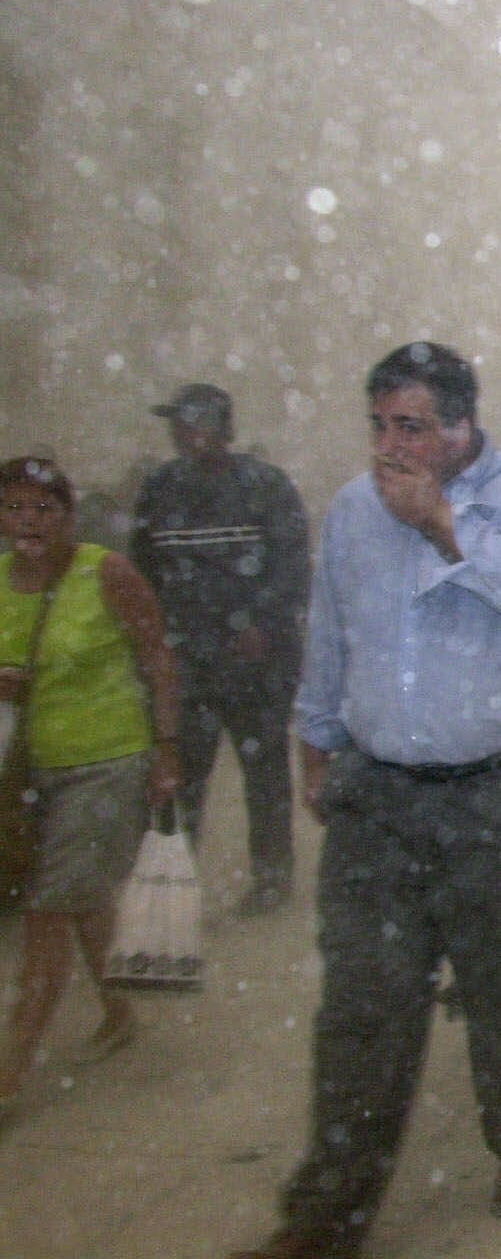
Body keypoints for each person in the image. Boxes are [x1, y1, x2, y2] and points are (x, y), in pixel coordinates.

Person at [232, 343, 501, 1258]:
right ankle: (326, 1217)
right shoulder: (352, 511)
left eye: (413, 427)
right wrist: (315, 744)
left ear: (463, 428)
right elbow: (332, 634)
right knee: (363, 1007)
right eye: (381, 426)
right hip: (379, 801)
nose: (391, 447)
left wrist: (440, 524)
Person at [0, 456, 179, 1120]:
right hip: (32, 773)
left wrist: (165, 749)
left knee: (47, 912)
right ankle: (119, 1010)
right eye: (15, 507)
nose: (30, 522)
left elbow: (158, 656)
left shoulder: (105, 572)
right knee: (80, 898)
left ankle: (10, 1074)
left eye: (44, 509)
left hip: (110, 763)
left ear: (68, 517)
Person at [132, 382, 310, 916]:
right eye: (179, 424)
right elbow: (143, 572)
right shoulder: (159, 490)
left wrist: (262, 623)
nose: (187, 435)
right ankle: (172, 891)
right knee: (180, 778)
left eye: (198, 423)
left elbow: (292, 567)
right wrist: (155, 640)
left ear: (224, 430)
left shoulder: (266, 487)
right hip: (186, 665)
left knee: (264, 776)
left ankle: (272, 879)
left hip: (255, 668)